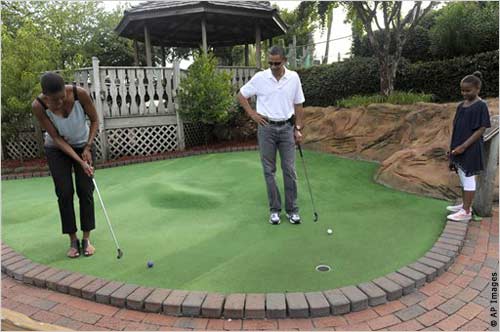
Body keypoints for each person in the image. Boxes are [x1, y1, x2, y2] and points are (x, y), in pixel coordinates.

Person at [32, 72, 99, 257]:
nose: (60, 102)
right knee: (64, 192)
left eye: (62, 97)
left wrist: (88, 146)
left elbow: (94, 120)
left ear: (66, 89)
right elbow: (56, 138)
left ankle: (86, 239)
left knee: (85, 190)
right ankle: (72, 240)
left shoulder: (80, 94)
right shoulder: (39, 106)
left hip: (84, 144)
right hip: (57, 148)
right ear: (45, 96)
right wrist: (79, 162)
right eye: (55, 100)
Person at [237, 46, 305, 225]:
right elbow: (241, 95)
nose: (273, 66)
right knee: (269, 170)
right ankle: (275, 210)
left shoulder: (293, 78)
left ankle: (292, 210)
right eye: (270, 63)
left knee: (289, 170)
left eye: (277, 63)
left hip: (287, 128)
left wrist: (298, 128)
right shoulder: (260, 78)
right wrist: (252, 114)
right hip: (266, 128)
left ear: (284, 61)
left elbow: (299, 105)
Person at [447, 71, 491, 221]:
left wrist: (464, 146)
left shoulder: (481, 106)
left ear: (477, 89)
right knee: (461, 175)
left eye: (468, 90)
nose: (464, 93)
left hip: (470, 148)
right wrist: (453, 146)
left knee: (468, 178)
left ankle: (466, 211)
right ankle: (465, 205)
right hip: (459, 145)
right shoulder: (461, 106)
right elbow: (456, 125)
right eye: (462, 90)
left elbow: (482, 128)